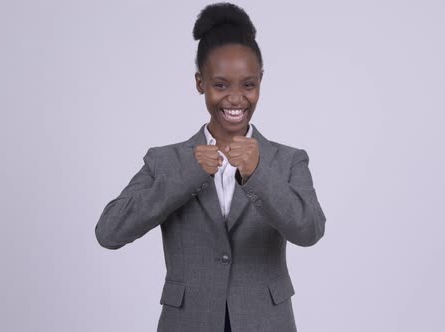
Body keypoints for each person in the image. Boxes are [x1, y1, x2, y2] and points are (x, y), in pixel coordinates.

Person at [95, 3, 326, 331]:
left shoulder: (287, 160)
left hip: (266, 321)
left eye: (248, 84)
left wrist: (258, 173)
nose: (235, 98)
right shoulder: (166, 161)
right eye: (221, 85)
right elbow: (109, 232)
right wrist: (187, 174)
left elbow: (310, 231)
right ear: (200, 82)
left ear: (260, 81)